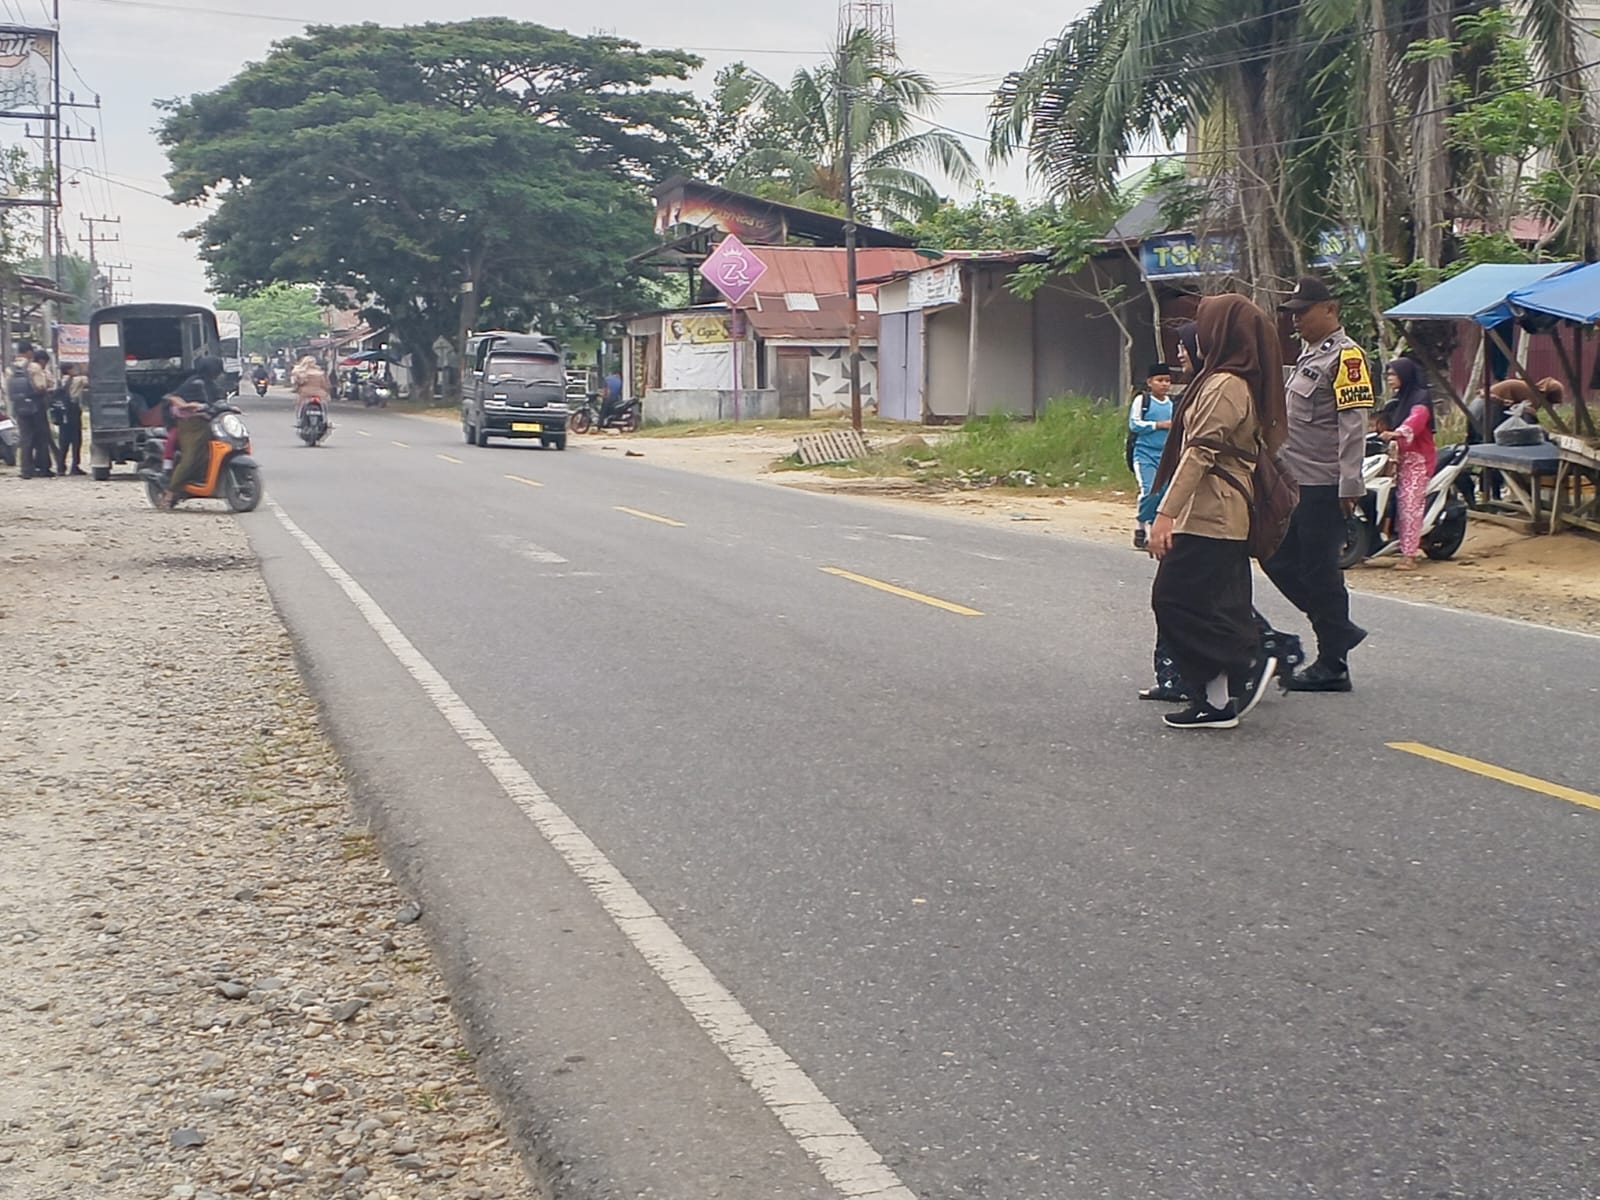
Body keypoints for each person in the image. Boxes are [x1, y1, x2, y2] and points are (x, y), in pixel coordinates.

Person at [1147, 294, 1287, 730]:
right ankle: (1216, 702)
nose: (1196, 335)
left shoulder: (1226, 383)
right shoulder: (1229, 379)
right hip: (1215, 513)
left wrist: (1164, 515)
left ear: (1222, 332)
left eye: (1204, 324)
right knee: (1213, 606)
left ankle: (1249, 657)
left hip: (1214, 515)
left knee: (1173, 600)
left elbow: (1201, 453)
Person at [1265, 275, 1375, 693]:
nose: (1297, 323)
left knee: (1321, 572)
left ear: (1329, 309)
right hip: (1294, 481)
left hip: (1323, 484)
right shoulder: (1310, 355)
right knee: (1276, 558)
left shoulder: (1346, 358)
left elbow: (1353, 424)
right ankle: (1337, 628)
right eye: (1293, 315)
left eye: (1303, 313)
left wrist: (1350, 483)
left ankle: (1334, 662)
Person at [1379, 357, 1435, 571]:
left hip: (1418, 460)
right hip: (1398, 459)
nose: (1390, 379)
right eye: (1388, 375)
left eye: (1393, 374)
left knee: (1409, 504)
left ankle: (1409, 556)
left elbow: (1416, 420)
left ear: (1405, 375)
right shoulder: (1398, 399)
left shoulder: (1420, 398)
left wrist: (1398, 433)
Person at [160, 357, 225, 508]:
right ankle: (169, 493)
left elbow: (217, 402)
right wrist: (189, 406)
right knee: (190, 460)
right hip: (191, 425)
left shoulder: (212, 385)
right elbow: (173, 397)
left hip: (209, 423)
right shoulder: (194, 382)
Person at [1127, 363, 1175, 550]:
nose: (1164, 384)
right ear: (1150, 382)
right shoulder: (1142, 401)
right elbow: (1135, 424)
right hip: (1144, 453)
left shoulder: (1172, 404)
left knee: (1163, 493)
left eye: (1167, 381)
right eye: (1160, 380)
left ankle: (1143, 524)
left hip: (1165, 456)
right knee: (1149, 491)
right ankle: (1144, 528)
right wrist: (1158, 425)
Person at [10, 342, 56, 479]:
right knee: (41, 437)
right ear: (29, 352)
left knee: (25, 438)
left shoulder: (10, 368)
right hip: (36, 406)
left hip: (19, 407)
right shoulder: (33, 366)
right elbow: (41, 386)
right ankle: (43, 468)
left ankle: (26, 470)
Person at [53, 362, 87, 476]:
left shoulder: (58, 381)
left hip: (62, 414)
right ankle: (75, 466)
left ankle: (60, 467)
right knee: (76, 440)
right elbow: (88, 380)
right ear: (69, 370)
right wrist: (83, 369)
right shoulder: (77, 380)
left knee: (63, 441)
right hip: (73, 412)